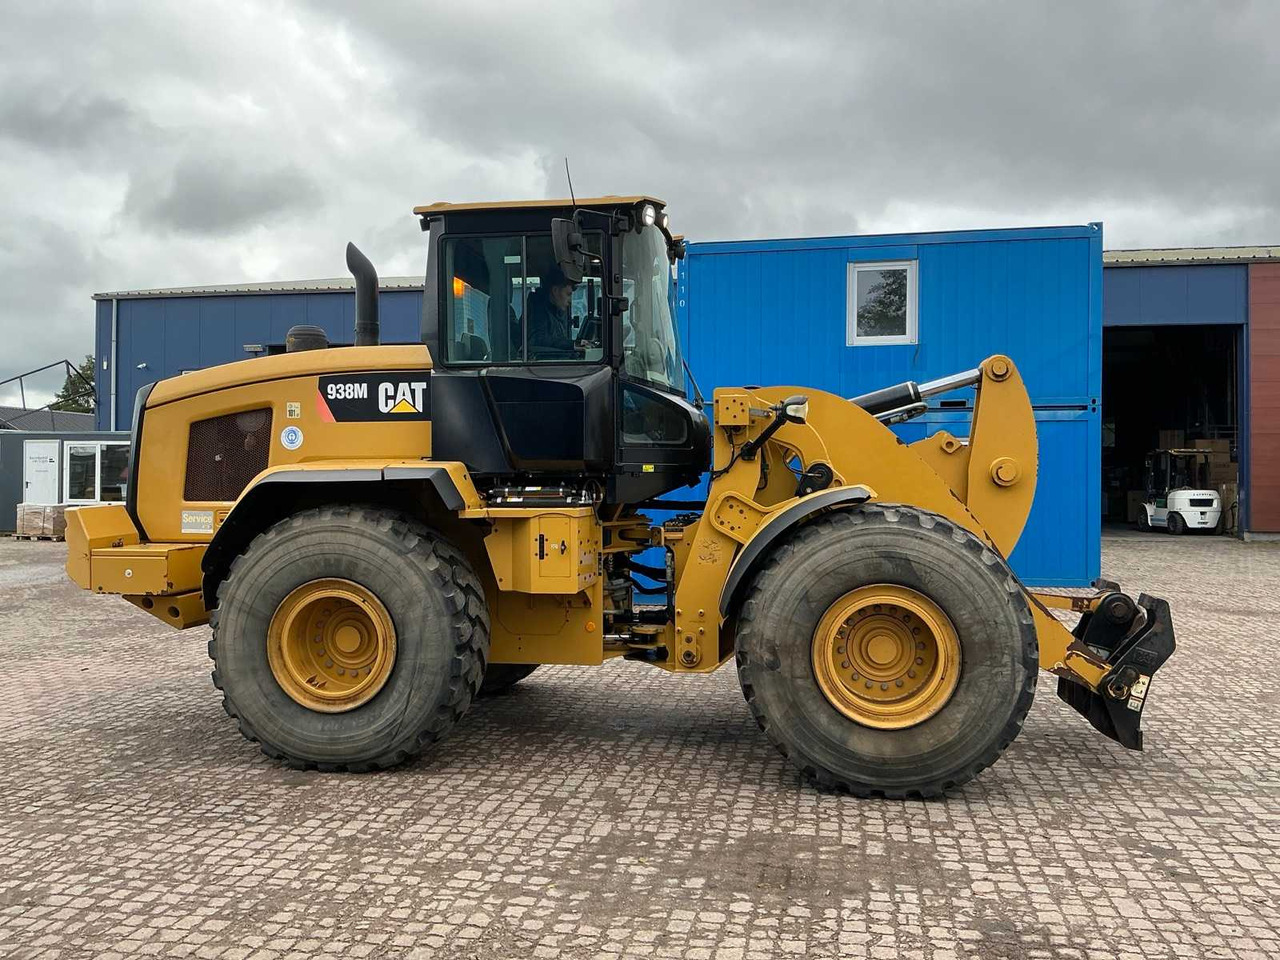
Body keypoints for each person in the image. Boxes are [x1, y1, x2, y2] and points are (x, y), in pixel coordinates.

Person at [526, 265, 578, 358]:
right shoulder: (538, 312)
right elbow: (538, 340)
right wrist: (572, 345)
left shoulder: (554, 311)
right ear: (555, 290)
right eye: (568, 294)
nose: (570, 300)